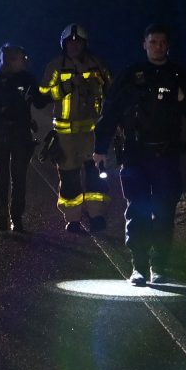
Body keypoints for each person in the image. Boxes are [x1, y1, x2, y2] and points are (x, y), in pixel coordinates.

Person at [93, 24, 186, 286]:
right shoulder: (131, 75)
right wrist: (100, 148)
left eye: (162, 42)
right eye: (152, 41)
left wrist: (182, 98)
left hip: (166, 155)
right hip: (134, 155)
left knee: (165, 212)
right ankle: (139, 266)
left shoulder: (179, 75)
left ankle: (160, 266)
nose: (157, 46)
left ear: (168, 45)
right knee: (138, 211)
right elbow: (109, 112)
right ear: (144, 44)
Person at [39, 24, 112, 233]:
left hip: (92, 133)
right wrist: (69, 85)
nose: (74, 46)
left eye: (78, 42)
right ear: (63, 44)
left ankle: (97, 216)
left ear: (84, 44)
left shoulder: (98, 65)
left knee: (95, 176)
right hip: (65, 135)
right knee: (69, 178)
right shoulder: (55, 66)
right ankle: (72, 219)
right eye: (70, 42)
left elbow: (112, 93)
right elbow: (43, 94)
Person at [0, 44, 49, 232]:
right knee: (1, 175)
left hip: (20, 133)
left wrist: (54, 91)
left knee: (19, 176)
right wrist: (5, 98)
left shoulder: (28, 80)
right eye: (20, 58)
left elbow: (41, 102)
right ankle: (1, 218)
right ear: (10, 60)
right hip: (0, 131)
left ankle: (16, 218)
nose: (24, 62)